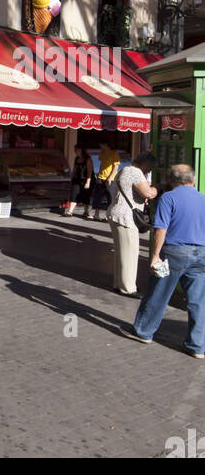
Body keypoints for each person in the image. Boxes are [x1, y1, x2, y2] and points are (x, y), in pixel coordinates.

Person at [129, 164, 205, 355]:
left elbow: (161, 229)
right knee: (198, 301)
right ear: (193, 180)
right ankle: (197, 346)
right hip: (200, 254)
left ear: (171, 181)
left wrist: (155, 256)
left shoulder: (168, 198)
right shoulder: (203, 199)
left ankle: (144, 332)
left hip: (174, 253)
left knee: (158, 294)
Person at [107, 150, 158, 296]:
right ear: (146, 164)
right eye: (149, 168)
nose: (149, 171)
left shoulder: (124, 170)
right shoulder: (135, 172)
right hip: (126, 217)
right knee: (130, 253)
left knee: (121, 253)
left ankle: (119, 283)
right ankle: (128, 288)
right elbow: (148, 193)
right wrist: (158, 188)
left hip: (116, 213)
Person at [86, 146, 119, 221]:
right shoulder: (102, 153)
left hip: (110, 179)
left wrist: (110, 178)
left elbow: (116, 167)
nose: (101, 147)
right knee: (98, 196)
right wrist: (99, 174)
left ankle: (109, 215)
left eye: (102, 145)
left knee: (110, 197)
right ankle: (96, 214)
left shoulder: (114, 153)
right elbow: (101, 164)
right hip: (101, 177)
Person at [63, 144, 90, 216]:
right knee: (74, 194)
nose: (76, 151)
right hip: (77, 178)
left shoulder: (88, 159)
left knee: (85, 195)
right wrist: (71, 176)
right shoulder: (76, 158)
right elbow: (75, 168)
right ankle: (70, 211)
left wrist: (88, 182)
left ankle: (86, 211)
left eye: (77, 150)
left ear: (81, 150)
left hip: (85, 179)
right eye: (75, 150)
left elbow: (90, 171)